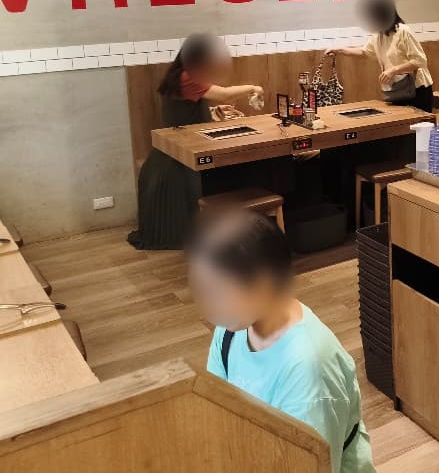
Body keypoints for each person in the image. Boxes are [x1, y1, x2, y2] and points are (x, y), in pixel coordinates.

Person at [188, 210, 375, 473]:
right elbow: (217, 412)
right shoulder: (230, 331)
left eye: (219, 291)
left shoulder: (309, 370)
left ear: (263, 283)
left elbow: (311, 465)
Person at [128, 34, 263, 250]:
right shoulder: (187, 78)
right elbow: (225, 94)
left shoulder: (179, 75)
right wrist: (254, 88)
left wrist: (212, 111)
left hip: (175, 152)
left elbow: (186, 109)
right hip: (176, 162)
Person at [326, 0, 433, 112]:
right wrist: (339, 50)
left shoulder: (403, 31)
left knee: (420, 123)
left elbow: (420, 61)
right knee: (401, 123)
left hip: (417, 89)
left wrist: (393, 70)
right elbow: (365, 52)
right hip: (397, 90)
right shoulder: (379, 35)